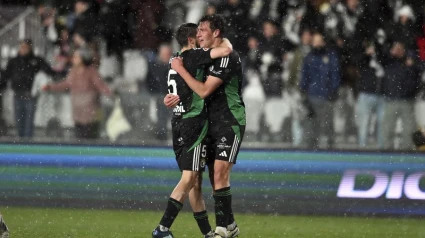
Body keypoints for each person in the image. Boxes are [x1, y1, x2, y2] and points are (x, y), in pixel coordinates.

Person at [152, 23, 235, 238]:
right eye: (197, 36)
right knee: (189, 178)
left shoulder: (175, 60)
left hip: (178, 122)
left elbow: (175, 91)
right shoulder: (193, 56)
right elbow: (226, 50)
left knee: (195, 181)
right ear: (191, 41)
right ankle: (163, 228)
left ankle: (207, 233)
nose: (200, 38)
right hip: (193, 123)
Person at [170, 14, 246, 238]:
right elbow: (187, 88)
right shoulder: (204, 55)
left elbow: (203, 90)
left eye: (203, 29)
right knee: (214, 176)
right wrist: (171, 97)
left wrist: (181, 69)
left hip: (230, 120)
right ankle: (230, 225)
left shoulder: (226, 57)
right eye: (198, 30)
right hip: (207, 122)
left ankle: (222, 230)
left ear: (216, 33)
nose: (198, 33)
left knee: (221, 172)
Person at [42, 47, 111, 139]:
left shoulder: (92, 72)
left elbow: (101, 86)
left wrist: (111, 94)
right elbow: (65, 84)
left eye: (76, 57)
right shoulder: (73, 71)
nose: (73, 59)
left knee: (91, 141)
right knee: (80, 141)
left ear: (83, 58)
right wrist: (51, 87)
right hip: (78, 114)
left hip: (92, 114)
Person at [2, 39, 56, 138]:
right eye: (21, 47)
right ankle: (20, 143)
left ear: (30, 48)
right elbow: (6, 76)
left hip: (30, 96)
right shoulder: (14, 61)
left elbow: (49, 71)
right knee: (19, 122)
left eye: (26, 47)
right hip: (17, 95)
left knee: (28, 123)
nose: (23, 49)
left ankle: (27, 143)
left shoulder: (36, 60)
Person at [300, 31, 341, 149]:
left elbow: (335, 75)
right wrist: (303, 93)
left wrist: (333, 91)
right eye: (315, 41)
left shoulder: (330, 56)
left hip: (326, 96)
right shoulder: (309, 58)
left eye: (319, 41)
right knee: (312, 126)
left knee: (327, 126)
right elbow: (304, 77)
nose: (317, 44)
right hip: (312, 96)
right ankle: (311, 149)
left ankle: (330, 149)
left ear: (323, 42)